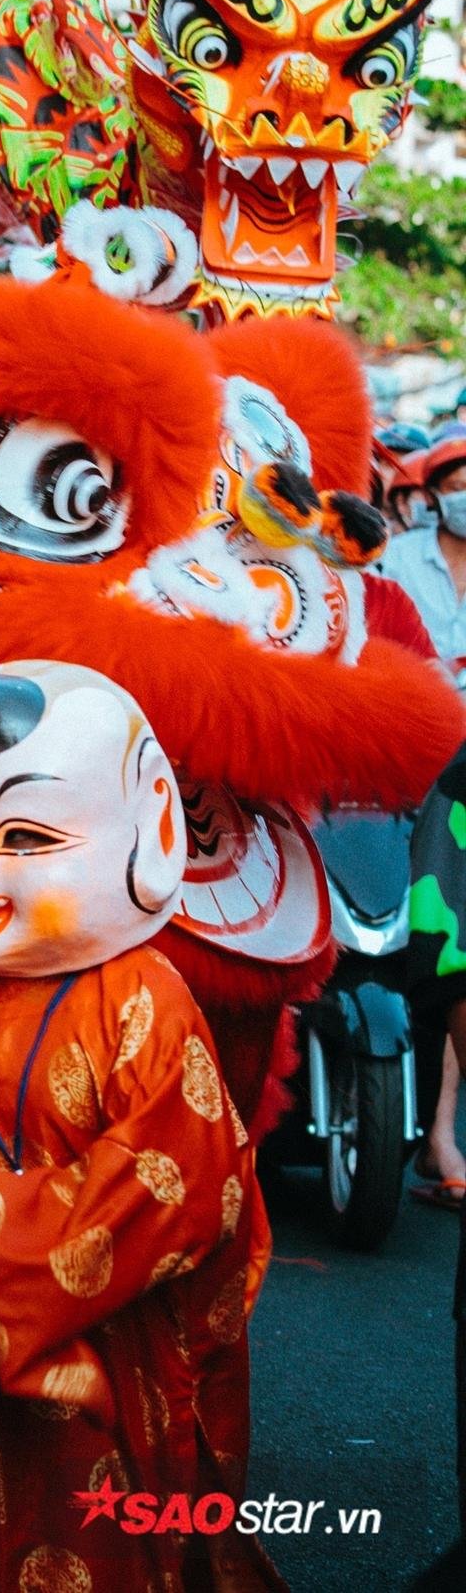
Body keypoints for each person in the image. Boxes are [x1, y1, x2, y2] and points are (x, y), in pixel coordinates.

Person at [0, 662, 274, 1590]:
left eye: (24, 833)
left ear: (153, 832)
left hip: (86, 1386)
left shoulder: (142, 1003)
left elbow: (178, 1194)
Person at [386, 433, 466, 1205]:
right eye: (461, 480)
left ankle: (440, 1131)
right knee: (438, 956)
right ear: (433, 491)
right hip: (411, 782)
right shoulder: (398, 564)